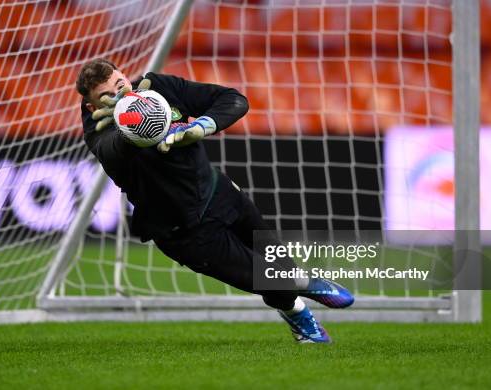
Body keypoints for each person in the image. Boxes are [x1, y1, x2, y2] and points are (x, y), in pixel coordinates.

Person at [75, 59, 354, 343]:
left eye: (120, 84)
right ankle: (307, 299)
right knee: (272, 280)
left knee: (281, 267)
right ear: (92, 107)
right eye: (107, 96)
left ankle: (297, 299)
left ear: (124, 75)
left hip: (221, 194)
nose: (120, 95)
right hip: (185, 231)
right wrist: (129, 125)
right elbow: (112, 151)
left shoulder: (157, 87)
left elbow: (234, 100)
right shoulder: (99, 132)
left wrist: (203, 126)